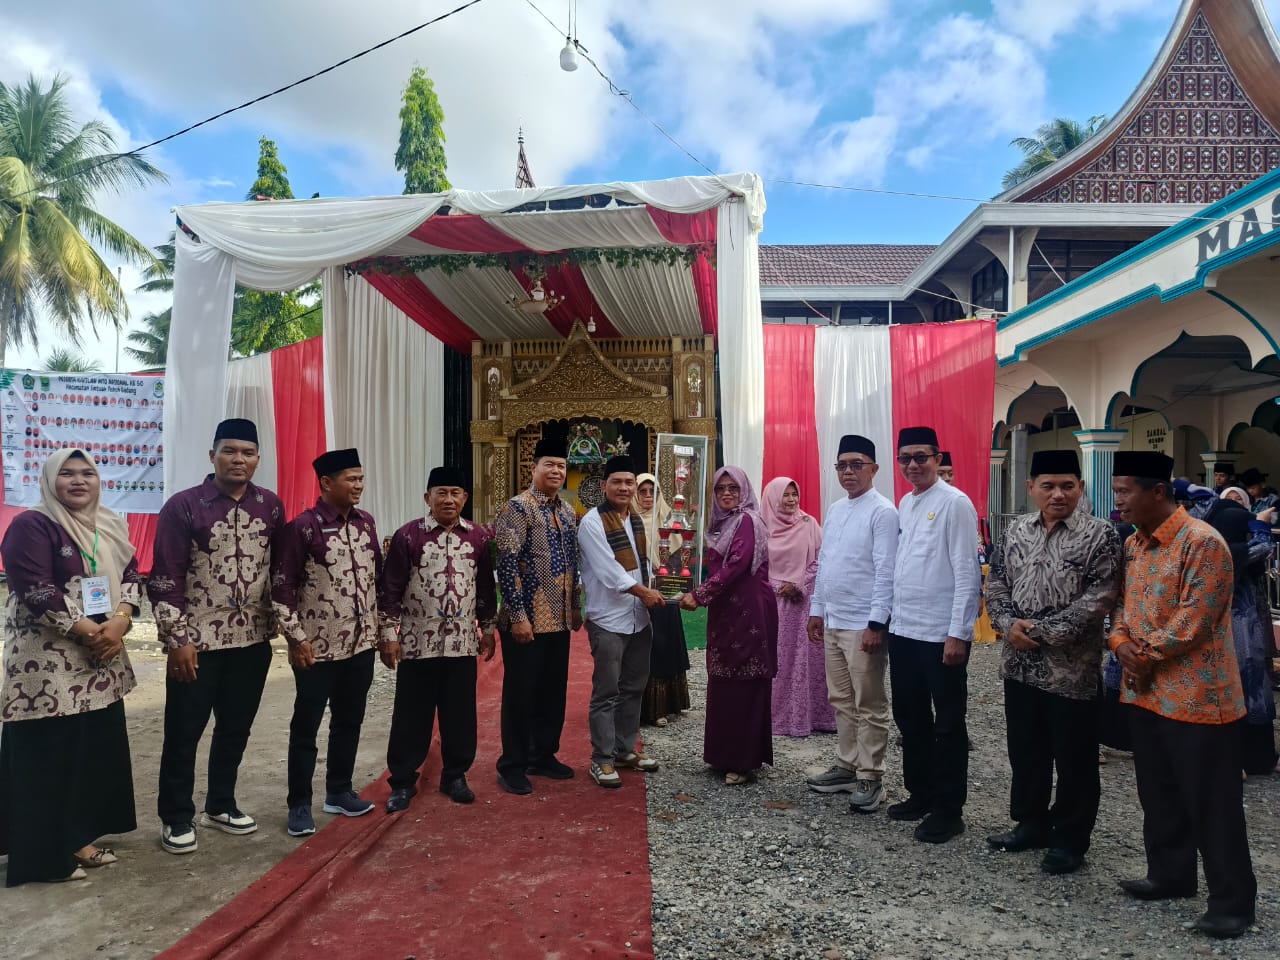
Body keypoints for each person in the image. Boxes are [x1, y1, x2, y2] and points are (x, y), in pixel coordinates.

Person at [1110, 451, 1256, 940]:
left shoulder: (1202, 542)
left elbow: (1197, 618)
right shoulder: (1134, 544)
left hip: (1199, 698)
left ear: (1157, 491)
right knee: (1159, 792)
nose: (1118, 501)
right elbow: (1122, 604)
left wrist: (1142, 653)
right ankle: (1170, 875)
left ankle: (1232, 903)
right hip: (1146, 691)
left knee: (1212, 801)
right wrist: (1119, 642)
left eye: (1124, 491)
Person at [0, 449, 140, 885]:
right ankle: (43, 859)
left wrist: (120, 621)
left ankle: (77, 838)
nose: (79, 481)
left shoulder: (109, 523)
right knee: (47, 758)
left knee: (87, 755)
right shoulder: (32, 525)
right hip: (48, 666)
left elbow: (132, 574)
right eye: (67, 473)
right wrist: (94, 632)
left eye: (87, 474)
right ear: (49, 480)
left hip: (100, 663)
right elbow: (35, 587)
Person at [983, 450, 1123, 875]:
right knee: (1027, 752)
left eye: (1067, 485)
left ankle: (1070, 839)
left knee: (1075, 758)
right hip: (1018, 666)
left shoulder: (1100, 535)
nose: (1058, 494)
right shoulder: (1015, 530)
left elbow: (1100, 596)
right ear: (1032, 488)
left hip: (1071, 671)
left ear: (1080, 487)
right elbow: (997, 580)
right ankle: (1031, 824)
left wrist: (1040, 632)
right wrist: (1006, 625)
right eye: (1048, 486)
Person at [150, 418, 285, 855]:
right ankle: (176, 816)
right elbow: (165, 579)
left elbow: (280, 572)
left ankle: (221, 804)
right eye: (229, 451)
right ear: (213, 455)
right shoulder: (184, 506)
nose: (238, 459)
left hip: (252, 641)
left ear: (258, 459)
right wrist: (177, 640)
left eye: (247, 452)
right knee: (184, 731)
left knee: (235, 727)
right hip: (198, 643)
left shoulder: (270, 506)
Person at [272, 448, 381, 837]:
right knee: (307, 727)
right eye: (351, 479)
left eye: (361, 478)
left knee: (349, 721)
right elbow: (281, 588)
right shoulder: (303, 527)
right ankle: (299, 803)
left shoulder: (366, 524)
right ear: (326, 483)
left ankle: (339, 791)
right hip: (316, 649)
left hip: (360, 646)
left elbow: (377, 578)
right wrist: (296, 639)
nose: (358, 485)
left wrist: (382, 633)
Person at [380, 466, 497, 812]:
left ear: (465, 498)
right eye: (441, 493)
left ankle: (455, 775)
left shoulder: (477, 537)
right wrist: (389, 635)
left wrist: (488, 629)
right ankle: (402, 780)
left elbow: (485, 588)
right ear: (427, 497)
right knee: (411, 714)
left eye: (455, 493)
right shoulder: (408, 536)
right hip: (418, 643)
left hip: (462, 642)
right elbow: (390, 589)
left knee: (460, 713)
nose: (448, 499)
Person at [885, 426, 982, 843]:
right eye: (905, 458)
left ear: (938, 458)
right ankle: (920, 793)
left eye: (921, 457)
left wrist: (958, 633)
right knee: (910, 716)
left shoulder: (954, 503)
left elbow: (966, 572)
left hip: (940, 633)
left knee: (947, 723)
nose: (912, 465)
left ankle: (948, 809)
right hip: (904, 629)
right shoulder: (906, 503)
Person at [804, 435, 897, 813]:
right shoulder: (837, 509)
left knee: (869, 702)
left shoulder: (883, 511)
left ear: (874, 468)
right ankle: (846, 765)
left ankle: (871, 775)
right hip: (834, 620)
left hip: (863, 624)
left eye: (856, 464)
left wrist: (876, 623)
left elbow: (886, 571)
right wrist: (817, 609)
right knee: (841, 699)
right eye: (842, 465)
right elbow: (826, 563)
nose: (848, 472)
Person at [493, 438, 582, 796]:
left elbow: (573, 562)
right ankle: (512, 765)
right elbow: (507, 563)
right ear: (534, 468)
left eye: (561, 466)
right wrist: (517, 615)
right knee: (521, 693)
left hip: (558, 619)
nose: (556, 471)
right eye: (550, 465)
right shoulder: (517, 508)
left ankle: (542, 755)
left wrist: (575, 606)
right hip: (526, 619)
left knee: (552, 691)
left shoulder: (568, 512)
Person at [679, 466, 778, 785]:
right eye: (720, 488)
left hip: (748, 611)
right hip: (726, 611)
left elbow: (736, 565)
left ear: (744, 491)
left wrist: (700, 594)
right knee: (723, 679)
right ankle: (722, 755)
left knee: (745, 681)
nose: (726, 494)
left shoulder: (747, 520)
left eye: (733, 488)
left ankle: (744, 761)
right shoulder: (719, 524)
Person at [578, 456, 666, 788]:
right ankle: (601, 758)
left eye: (630, 482)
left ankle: (624, 750)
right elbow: (610, 573)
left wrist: (665, 584)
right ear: (604, 486)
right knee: (607, 691)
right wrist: (645, 592)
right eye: (617, 482)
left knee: (633, 688)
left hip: (638, 619)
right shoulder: (592, 523)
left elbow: (644, 565)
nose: (624, 488)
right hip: (608, 620)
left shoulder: (637, 521)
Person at [1201, 498, 1278, 776]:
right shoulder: (1227, 551)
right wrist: (1259, 522)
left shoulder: (1217, 547)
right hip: (1235, 637)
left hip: (1244, 639)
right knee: (1241, 696)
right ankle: (1239, 761)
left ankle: (1255, 759)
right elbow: (1264, 546)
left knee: (1249, 696)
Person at [761, 477, 829, 738]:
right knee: (777, 658)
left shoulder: (809, 524)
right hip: (771, 602)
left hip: (802, 603)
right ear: (773, 498)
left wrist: (798, 584)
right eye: (785, 495)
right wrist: (776, 586)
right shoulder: (761, 528)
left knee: (806, 659)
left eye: (794, 494)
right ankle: (774, 718)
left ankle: (811, 717)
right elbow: (755, 565)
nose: (791, 500)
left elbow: (821, 560)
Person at [633, 473, 691, 726]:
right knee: (642, 649)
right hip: (637, 594)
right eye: (642, 491)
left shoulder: (668, 519)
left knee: (664, 646)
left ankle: (665, 706)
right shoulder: (628, 520)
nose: (648, 497)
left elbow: (679, 555)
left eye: (652, 492)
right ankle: (641, 708)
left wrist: (667, 578)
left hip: (665, 592)